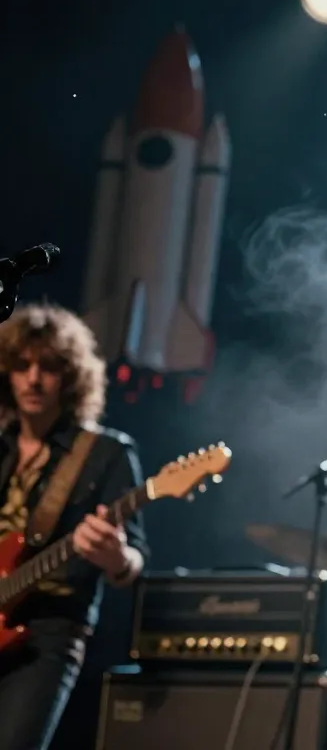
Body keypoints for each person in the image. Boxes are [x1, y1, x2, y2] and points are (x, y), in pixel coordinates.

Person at [0, 304, 149, 750]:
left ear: (70, 376)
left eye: (48, 367)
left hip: (49, 632)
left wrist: (116, 557)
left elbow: (134, 561)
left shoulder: (104, 453)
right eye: (22, 366)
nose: (34, 379)